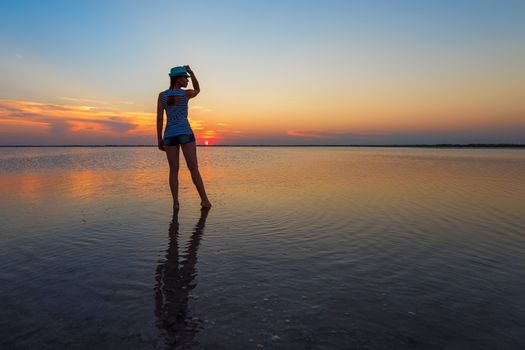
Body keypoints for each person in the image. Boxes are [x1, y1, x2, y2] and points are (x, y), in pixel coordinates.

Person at [157, 65, 211, 209]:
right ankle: (205, 200)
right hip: (185, 133)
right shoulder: (186, 94)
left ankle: (175, 203)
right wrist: (193, 72)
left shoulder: (162, 95)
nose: (187, 81)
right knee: (193, 168)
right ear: (177, 79)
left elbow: (159, 119)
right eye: (185, 78)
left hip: (169, 136)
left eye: (188, 78)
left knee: (173, 170)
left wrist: (159, 139)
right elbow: (198, 89)